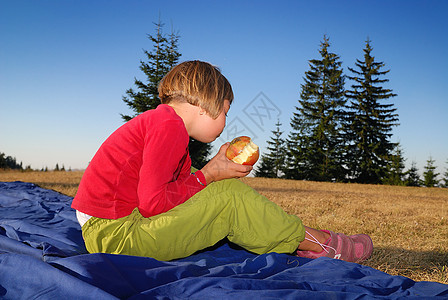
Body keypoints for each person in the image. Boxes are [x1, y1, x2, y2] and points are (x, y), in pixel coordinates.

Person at [72, 60, 373, 263]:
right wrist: (209, 176)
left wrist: (211, 171)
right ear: (206, 104)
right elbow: (154, 203)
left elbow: (171, 184)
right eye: (225, 111)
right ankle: (319, 243)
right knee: (228, 197)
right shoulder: (169, 127)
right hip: (115, 236)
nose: (225, 121)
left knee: (211, 183)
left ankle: (297, 238)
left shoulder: (159, 122)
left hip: (110, 226)